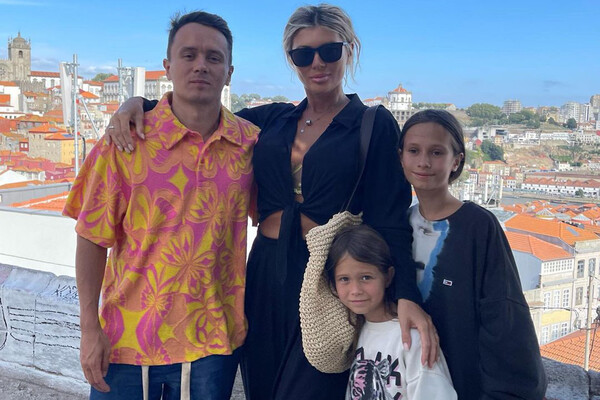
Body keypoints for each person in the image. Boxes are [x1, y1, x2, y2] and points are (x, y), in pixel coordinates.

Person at [107, 5, 438, 399]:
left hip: (327, 278)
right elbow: (199, 113)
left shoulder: (372, 123)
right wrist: (138, 104)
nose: (317, 63)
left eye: (329, 50)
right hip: (264, 273)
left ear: (349, 51)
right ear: (292, 60)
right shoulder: (273, 120)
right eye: (304, 54)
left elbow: (389, 217)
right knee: (261, 387)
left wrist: (406, 295)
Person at [63, 11, 259, 400]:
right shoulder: (125, 141)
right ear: (168, 67)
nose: (201, 65)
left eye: (214, 57)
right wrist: (89, 329)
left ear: (229, 72)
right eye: (189, 55)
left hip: (214, 344)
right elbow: (91, 237)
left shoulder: (250, 144)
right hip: (126, 341)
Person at [399, 109, 547, 400]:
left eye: (436, 152)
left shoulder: (478, 226)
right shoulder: (398, 225)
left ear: (456, 161)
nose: (423, 162)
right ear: (400, 157)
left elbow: (504, 318)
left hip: (464, 386)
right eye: (413, 150)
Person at [325, 224, 456, 400]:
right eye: (344, 279)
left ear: (388, 276)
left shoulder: (412, 336)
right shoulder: (354, 332)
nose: (355, 290)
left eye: (366, 277)